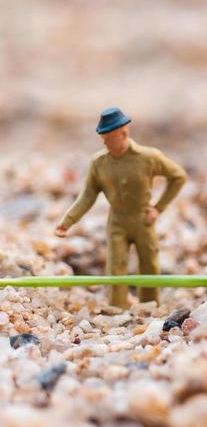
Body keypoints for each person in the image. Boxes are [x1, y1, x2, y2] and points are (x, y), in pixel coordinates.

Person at [55, 107, 188, 309]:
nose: (104, 141)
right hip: (117, 222)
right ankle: (117, 306)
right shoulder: (99, 163)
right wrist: (67, 222)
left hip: (144, 220)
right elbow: (88, 195)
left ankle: (149, 304)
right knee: (116, 265)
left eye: (109, 136)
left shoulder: (148, 157)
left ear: (124, 133)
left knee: (149, 263)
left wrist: (158, 208)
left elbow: (178, 176)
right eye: (103, 136)